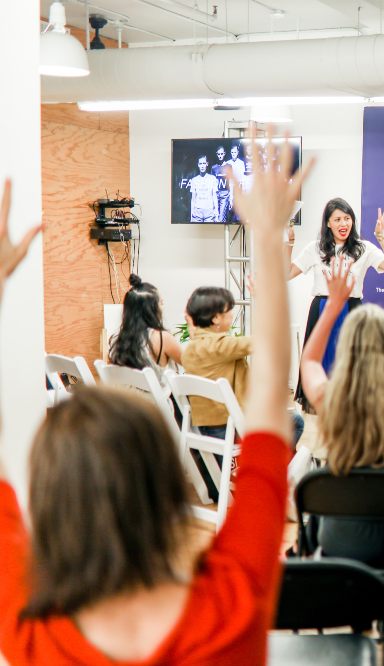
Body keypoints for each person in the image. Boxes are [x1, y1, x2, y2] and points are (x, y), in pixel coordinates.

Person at [0, 133, 305, 662]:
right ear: (165, 481)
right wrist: (269, 239)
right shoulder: (231, 604)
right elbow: (270, 414)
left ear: (49, 498)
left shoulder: (29, 626)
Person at [299, 260, 384, 566]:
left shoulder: (330, 399)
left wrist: (333, 306)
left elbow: (309, 361)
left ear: (346, 349)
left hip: (340, 543)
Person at [287, 198, 384, 410]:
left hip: (352, 309)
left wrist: (381, 237)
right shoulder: (316, 248)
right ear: (328, 223)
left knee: (352, 357)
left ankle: (350, 403)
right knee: (320, 356)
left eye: (347, 218)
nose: (343, 224)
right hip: (322, 308)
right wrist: (290, 243)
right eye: (337, 219)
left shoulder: (363, 248)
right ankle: (321, 401)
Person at [182, 285, 304, 446]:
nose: (232, 314)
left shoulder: (191, 347)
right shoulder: (222, 346)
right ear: (216, 318)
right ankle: (269, 463)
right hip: (231, 427)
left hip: (205, 425)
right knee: (295, 422)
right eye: (229, 311)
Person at [108, 273, 183, 386]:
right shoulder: (162, 338)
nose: (163, 306)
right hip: (156, 402)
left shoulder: (116, 339)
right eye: (161, 302)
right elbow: (192, 365)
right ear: (150, 310)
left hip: (128, 400)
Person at [188, 155, 218, 223]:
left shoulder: (212, 178)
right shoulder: (194, 180)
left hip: (209, 212)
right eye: (200, 164)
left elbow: (214, 196)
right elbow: (193, 199)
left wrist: (216, 212)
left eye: (204, 163)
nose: (202, 166)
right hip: (197, 213)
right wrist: (191, 215)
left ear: (207, 164)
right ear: (198, 165)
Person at [211, 145, 231, 223]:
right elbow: (212, 183)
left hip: (225, 194)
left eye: (221, 154)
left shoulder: (228, 166)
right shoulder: (214, 167)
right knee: (215, 217)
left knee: (221, 218)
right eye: (218, 154)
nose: (220, 156)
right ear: (216, 154)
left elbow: (231, 182)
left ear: (224, 153)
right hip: (216, 194)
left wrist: (231, 196)